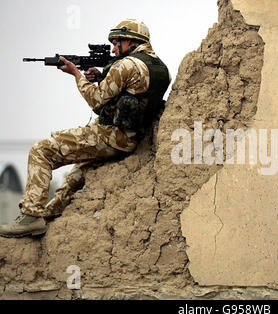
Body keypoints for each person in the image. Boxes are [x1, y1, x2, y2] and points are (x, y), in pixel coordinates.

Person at [0, 19, 171, 238]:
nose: (113, 48)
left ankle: (31, 216)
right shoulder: (160, 69)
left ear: (130, 40)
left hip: (110, 135)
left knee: (41, 150)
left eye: (117, 42)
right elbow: (134, 93)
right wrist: (100, 77)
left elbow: (97, 100)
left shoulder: (125, 65)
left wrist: (76, 75)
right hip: (130, 139)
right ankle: (49, 216)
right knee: (75, 176)